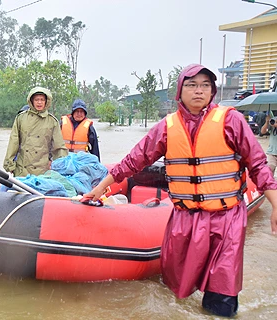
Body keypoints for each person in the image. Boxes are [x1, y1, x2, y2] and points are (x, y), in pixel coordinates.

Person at [84, 64, 277, 317]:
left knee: (221, 299)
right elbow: (133, 160)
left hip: (226, 218)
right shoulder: (167, 127)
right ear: (180, 91)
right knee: (174, 294)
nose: (199, 91)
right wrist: (99, 188)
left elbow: (258, 164)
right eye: (192, 85)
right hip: (184, 218)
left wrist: (275, 204)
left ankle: (221, 304)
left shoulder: (232, 120)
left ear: (213, 91)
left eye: (205, 85)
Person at [3, 87, 68, 177]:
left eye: (42, 99)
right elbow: (13, 142)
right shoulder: (21, 118)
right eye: (37, 99)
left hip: (43, 170)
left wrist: (62, 166)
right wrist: (9, 164)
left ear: (46, 101)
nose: (39, 102)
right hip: (22, 169)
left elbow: (59, 146)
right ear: (31, 101)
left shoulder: (52, 121)